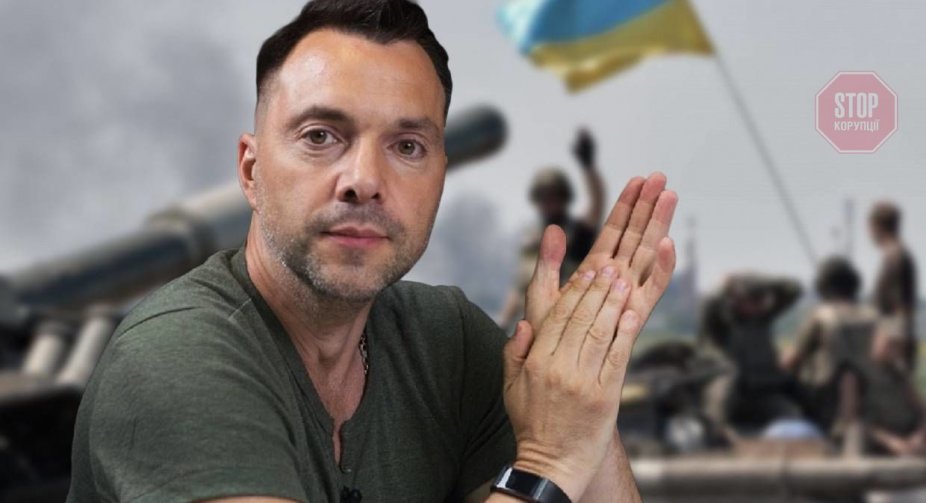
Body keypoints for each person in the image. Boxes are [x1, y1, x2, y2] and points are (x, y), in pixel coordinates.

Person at [66, 1, 679, 502]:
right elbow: (554, 464)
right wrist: (547, 464)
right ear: (251, 171)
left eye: (407, 146)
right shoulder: (175, 356)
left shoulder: (448, 343)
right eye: (320, 136)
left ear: (440, 178)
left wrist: (583, 394)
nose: (364, 179)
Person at [496, 129, 606, 329]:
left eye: (552, 196)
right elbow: (520, 287)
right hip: (537, 328)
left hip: (571, 324)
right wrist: (502, 322)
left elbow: (597, 205)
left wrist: (588, 167)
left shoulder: (576, 233)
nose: (547, 202)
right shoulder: (532, 239)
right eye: (542, 197)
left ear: (563, 197)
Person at [698, 273, 802, 438]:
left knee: (791, 414)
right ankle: (718, 431)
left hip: (762, 392)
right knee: (725, 385)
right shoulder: (723, 324)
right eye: (751, 300)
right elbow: (710, 304)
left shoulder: (762, 319)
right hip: (732, 394)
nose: (757, 305)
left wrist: (757, 282)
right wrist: (727, 288)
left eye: (759, 300)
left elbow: (793, 289)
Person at [781, 256, 879, 432]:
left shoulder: (822, 316)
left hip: (828, 400)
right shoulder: (873, 315)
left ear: (823, 286)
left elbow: (792, 360)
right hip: (873, 397)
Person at [837, 324, 926, 456]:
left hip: (910, 440)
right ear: (877, 339)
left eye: (898, 344)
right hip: (876, 443)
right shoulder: (854, 373)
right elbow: (851, 420)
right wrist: (891, 442)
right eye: (890, 342)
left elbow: (921, 409)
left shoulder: (899, 375)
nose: (894, 348)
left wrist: (919, 436)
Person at [869, 201, 918, 371]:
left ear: (876, 227)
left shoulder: (895, 256)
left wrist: (889, 342)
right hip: (895, 340)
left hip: (893, 345)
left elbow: (900, 307)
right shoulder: (898, 254)